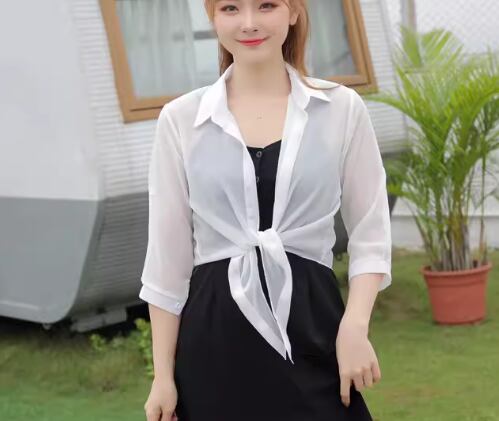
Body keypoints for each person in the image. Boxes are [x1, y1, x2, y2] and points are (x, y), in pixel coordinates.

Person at [140, 1, 392, 420]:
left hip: (315, 328)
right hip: (213, 342)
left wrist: (355, 326)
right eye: (230, 8)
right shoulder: (181, 119)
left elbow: (371, 233)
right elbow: (167, 261)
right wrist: (163, 376)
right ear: (213, 17)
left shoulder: (340, 109)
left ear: (293, 12)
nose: (249, 23)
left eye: (267, 5)